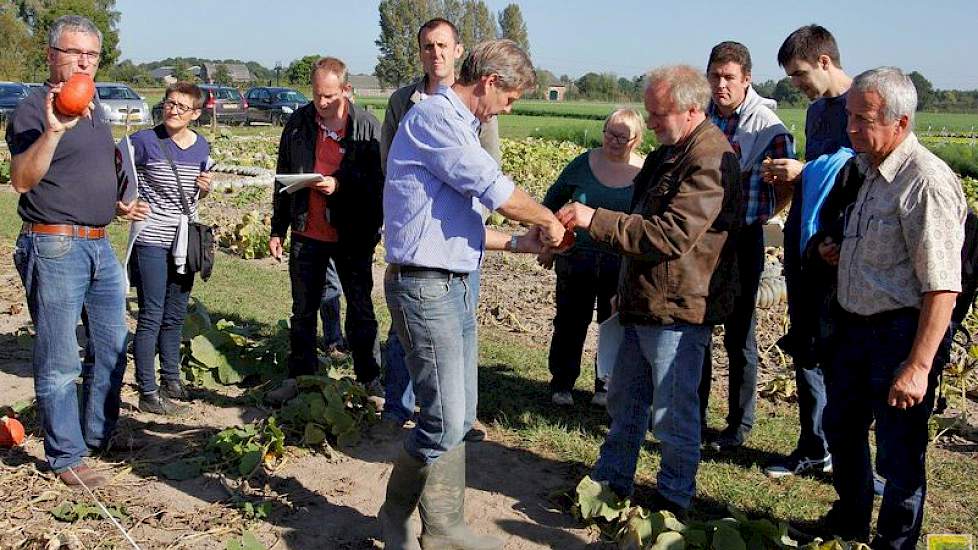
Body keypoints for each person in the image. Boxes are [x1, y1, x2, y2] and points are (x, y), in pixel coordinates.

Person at [378, 39, 563, 550]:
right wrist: (547, 219)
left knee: (459, 413)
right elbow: (495, 189)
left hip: (452, 282)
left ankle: (444, 527)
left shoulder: (461, 127)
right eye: (511, 98)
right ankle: (395, 513)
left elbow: (451, 223)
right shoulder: (436, 119)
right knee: (441, 420)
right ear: (490, 82)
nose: (510, 108)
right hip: (424, 286)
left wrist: (519, 244)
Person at [559, 65, 740, 516]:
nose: (652, 122)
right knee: (626, 402)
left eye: (659, 114)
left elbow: (670, 235)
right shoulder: (668, 152)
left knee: (673, 416)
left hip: (678, 309)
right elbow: (642, 218)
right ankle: (611, 481)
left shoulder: (710, 159)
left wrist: (593, 218)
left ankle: (673, 501)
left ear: (693, 110)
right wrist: (626, 285)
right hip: (644, 300)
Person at [817, 67, 964, 550]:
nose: (852, 129)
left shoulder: (925, 183)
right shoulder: (865, 170)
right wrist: (836, 248)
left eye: (865, 119)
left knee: (899, 452)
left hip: (898, 335)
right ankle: (850, 518)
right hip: (853, 329)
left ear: (900, 123)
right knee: (841, 426)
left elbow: (942, 285)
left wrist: (919, 366)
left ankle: (895, 542)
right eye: (851, 117)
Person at [7, 14, 148, 487]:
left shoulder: (95, 105)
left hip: (98, 244)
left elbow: (87, 170)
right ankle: (66, 456)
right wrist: (54, 130)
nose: (84, 61)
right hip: (53, 243)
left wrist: (116, 202)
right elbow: (23, 180)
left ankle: (98, 432)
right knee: (60, 354)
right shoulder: (33, 109)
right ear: (51, 55)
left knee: (110, 346)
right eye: (74, 52)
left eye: (92, 54)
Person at [377, 17, 500, 441]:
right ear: (421, 52)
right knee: (407, 326)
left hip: (461, 232)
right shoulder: (405, 101)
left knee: (462, 325)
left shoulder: (479, 104)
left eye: (443, 45)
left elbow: (488, 170)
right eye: (428, 46)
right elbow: (389, 162)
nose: (436, 53)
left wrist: (479, 220)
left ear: (458, 50)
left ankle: (459, 416)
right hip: (419, 235)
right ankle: (399, 405)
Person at [761, 24, 853, 478]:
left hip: (847, 245)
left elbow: (862, 171)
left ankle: (846, 452)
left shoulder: (864, 103)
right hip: (807, 239)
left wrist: (807, 170)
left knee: (840, 348)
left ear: (824, 61)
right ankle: (813, 445)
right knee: (807, 342)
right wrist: (791, 178)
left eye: (799, 74)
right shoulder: (818, 113)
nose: (796, 85)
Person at [266, 57, 384, 404]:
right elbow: (282, 176)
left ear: (346, 90)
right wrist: (278, 229)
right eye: (317, 95)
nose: (322, 103)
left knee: (360, 309)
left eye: (330, 96)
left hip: (352, 234)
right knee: (303, 310)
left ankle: (370, 379)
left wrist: (340, 185)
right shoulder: (299, 123)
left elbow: (379, 183)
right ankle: (300, 378)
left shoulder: (366, 126)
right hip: (307, 232)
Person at [700, 41, 795, 451]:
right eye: (715, 76)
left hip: (744, 239)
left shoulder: (768, 128)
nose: (721, 85)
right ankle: (693, 414)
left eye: (729, 78)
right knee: (696, 327)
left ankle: (738, 427)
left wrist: (765, 215)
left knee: (740, 335)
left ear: (747, 80)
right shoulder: (699, 118)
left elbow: (789, 184)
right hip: (700, 236)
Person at [539, 108, 644, 407]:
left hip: (621, 263)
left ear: (636, 140)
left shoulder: (644, 172)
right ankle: (562, 383)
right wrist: (549, 245)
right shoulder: (582, 165)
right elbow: (550, 203)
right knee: (570, 323)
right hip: (576, 257)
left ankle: (604, 385)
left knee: (612, 326)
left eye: (622, 137)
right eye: (609, 133)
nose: (613, 140)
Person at [127, 81, 213, 416]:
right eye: (169, 103)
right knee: (151, 314)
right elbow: (116, 171)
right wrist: (125, 205)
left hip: (185, 240)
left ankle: (171, 379)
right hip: (151, 239)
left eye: (181, 106)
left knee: (176, 312)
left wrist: (205, 190)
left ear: (195, 113)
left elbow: (194, 194)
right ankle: (147, 390)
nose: (172, 110)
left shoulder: (200, 146)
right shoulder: (144, 141)